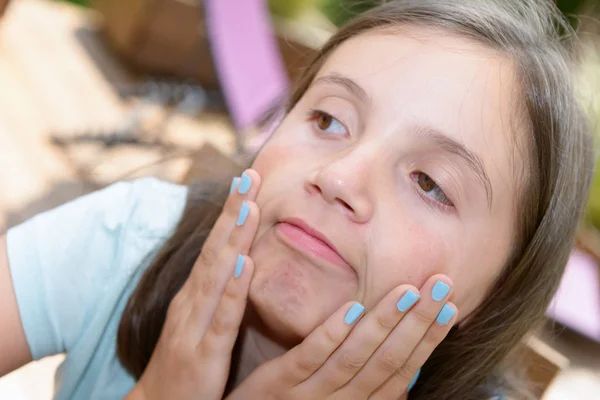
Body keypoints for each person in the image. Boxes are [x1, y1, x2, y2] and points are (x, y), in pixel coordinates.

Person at [0, 0, 593, 399]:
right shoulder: (127, 241)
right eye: (330, 119)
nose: (339, 177)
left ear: (491, 302)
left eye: (429, 183)